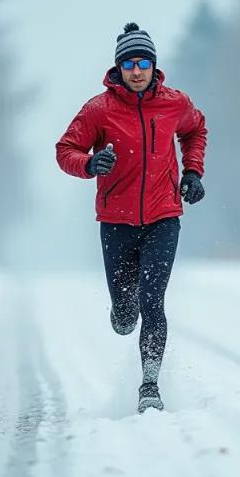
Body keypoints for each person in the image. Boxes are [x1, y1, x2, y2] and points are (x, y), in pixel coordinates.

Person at [55, 22, 207, 413]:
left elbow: (196, 131)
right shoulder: (98, 110)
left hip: (163, 217)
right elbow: (65, 149)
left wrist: (192, 172)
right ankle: (121, 310)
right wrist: (89, 164)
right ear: (118, 68)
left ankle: (150, 387)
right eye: (128, 63)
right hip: (116, 222)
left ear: (154, 65)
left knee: (153, 302)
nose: (136, 70)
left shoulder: (175, 103)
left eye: (143, 62)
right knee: (126, 317)